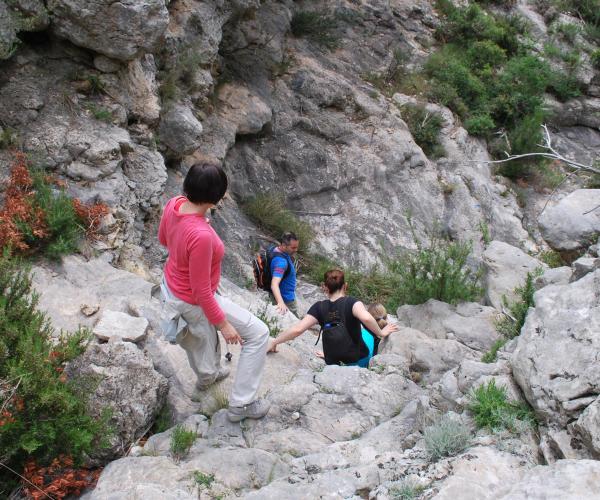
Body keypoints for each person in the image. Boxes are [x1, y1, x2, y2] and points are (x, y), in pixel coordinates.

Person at [158, 162, 270, 422]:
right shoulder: (202, 235)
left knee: (200, 341)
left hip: (173, 285)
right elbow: (201, 292)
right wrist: (224, 325)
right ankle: (241, 405)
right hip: (193, 297)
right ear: (216, 197)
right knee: (258, 334)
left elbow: (164, 239)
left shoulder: (174, 204)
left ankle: (208, 377)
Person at [267, 269, 398, 366]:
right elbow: (368, 319)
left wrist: (274, 342)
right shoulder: (352, 302)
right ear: (345, 286)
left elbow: (297, 330)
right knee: (365, 334)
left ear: (325, 287)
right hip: (358, 360)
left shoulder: (318, 307)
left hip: (333, 362)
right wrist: (381, 332)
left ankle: (330, 355)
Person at [270, 232, 299, 316]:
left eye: (297, 247)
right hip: (286, 299)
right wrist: (281, 302)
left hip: (278, 295)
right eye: (293, 247)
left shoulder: (275, 250)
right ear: (283, 245)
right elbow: (274, 284)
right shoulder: (281, 263)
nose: (296, 250)